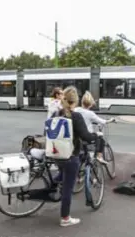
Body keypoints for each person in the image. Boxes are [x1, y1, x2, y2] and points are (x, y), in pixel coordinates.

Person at [50, 86, 102, 227]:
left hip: (56, 154)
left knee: (62, 174)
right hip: (71, 155)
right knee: (68, 188)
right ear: (76, 101)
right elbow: (86, 136)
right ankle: (65, 218)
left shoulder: (56, 114)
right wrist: (95, 135)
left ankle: (51, 186)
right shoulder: (75, 116)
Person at [74, 91, 116, 163]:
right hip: (87, 136)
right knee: (100, 138)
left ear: (82, 102)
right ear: (90, 105)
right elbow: (102, 121)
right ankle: (99, 156)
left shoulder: (76, 109)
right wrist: (111, 120)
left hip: (77, 136)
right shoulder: (90, 113)